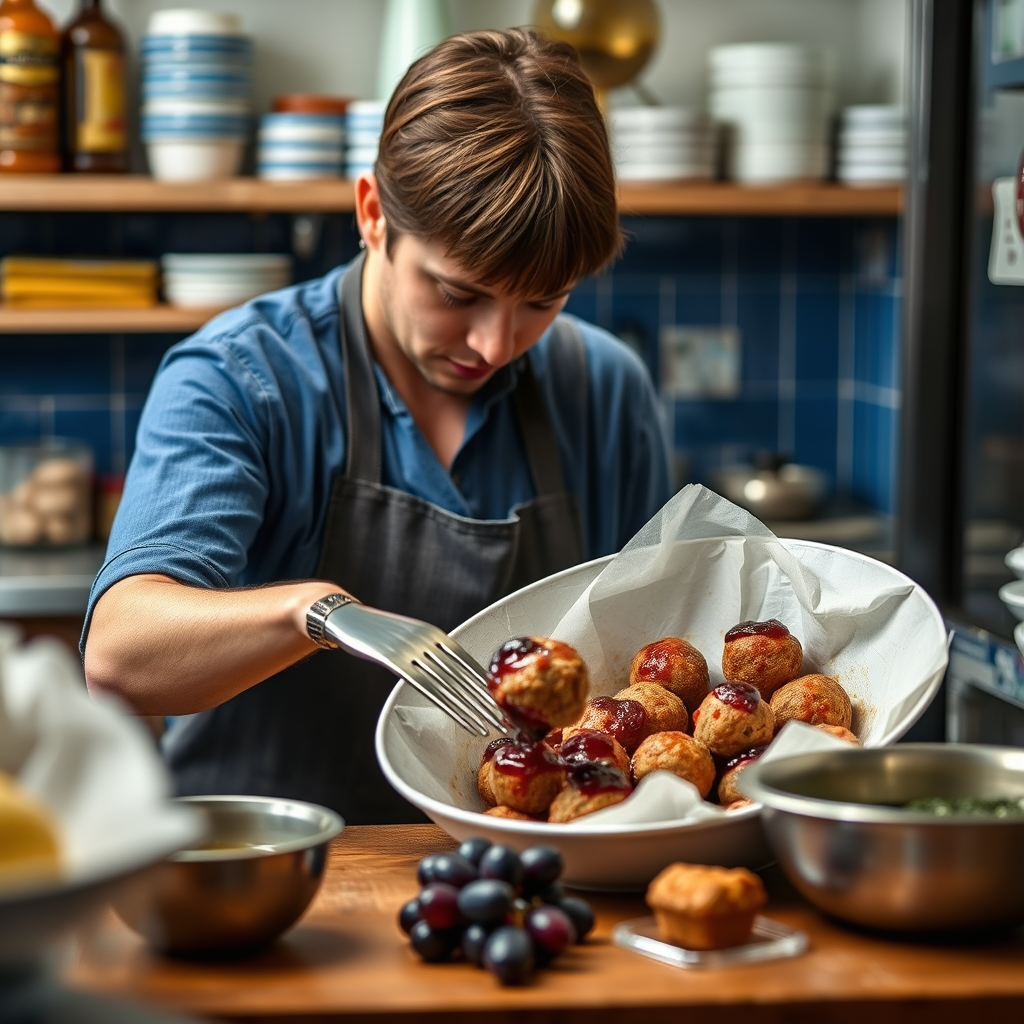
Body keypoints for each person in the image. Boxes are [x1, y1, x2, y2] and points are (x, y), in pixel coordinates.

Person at [81, 28, 672, 823]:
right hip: (267, 871)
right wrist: (319, 612)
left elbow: (652, 658)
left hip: (514, 865)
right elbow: (120, 657)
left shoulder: (605, 389)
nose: (495, 345)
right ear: (371, 215)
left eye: (543, 301)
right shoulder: (240, 377)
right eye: (458, 293)